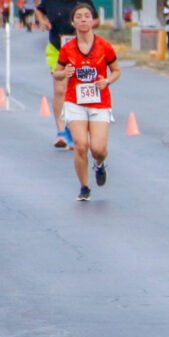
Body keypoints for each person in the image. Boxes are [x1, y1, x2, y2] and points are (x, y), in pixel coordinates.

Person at [53, 2, 119, 201]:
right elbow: (56, 73)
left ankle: (99, 164)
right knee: (81, 145)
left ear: (93, 21)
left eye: (87, 16)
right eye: (79, 16)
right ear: (73, 22)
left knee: (98, 149)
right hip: (75, 102)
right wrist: (64, 73)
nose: (83, 19)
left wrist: (107, 80)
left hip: (100, 103)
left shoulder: (104, 46)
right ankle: (84, 187)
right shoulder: (67, 49)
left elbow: (116, 70)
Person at [35, 0, 98, 149]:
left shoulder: (82, 2)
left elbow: (96, 20)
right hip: (57, 48)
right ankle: (61, 132)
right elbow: (39, 10)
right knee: (60, 90)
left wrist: (84, 26)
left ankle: (75, 129)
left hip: (79, 48)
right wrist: (43, 21)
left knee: (77, 90)